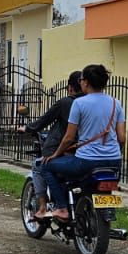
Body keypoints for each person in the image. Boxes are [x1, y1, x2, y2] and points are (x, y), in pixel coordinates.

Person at [42, 64, 128, 220]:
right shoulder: (117, 103)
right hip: (114, 162)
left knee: (46, 166)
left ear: (86, 82)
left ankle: (62, 208)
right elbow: (122, 138)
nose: (80, 82)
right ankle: (103, 209)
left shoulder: (79, 103)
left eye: (81, 79)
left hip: (86, 162)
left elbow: (68, 138)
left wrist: (55, 154)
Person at [19, 71, 82, 218]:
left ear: (70, 87)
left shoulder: (67, 102)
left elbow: (45, 121)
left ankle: (44, 208)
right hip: (94, 153)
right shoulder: (105, 103)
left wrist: (27, 128)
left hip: (70, 151)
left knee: (40, 166)